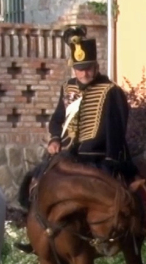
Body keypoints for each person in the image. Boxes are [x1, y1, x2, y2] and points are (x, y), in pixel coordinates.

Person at [47, 25, 135, 180]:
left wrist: (111, 161)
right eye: (79, 69)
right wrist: (55, 139)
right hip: (66, 154)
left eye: (87, 68)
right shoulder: (68, 87)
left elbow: (116, 131)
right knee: (35, 182)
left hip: (97, 157)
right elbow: (57, 119)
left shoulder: (111, 91)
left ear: (96, 67)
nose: (83, 73)